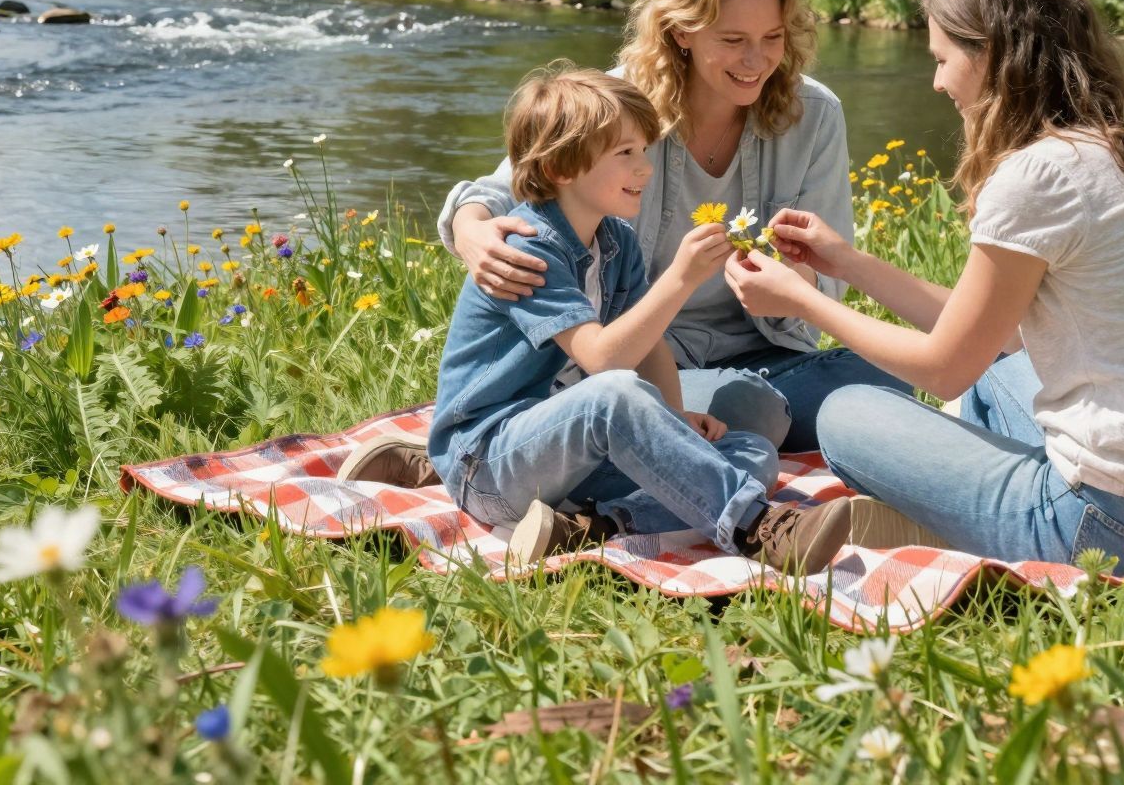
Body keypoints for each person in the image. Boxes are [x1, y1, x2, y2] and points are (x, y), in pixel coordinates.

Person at [724, 0, 1124, 568]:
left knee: (846, 414)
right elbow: (986, 341)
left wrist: (801, 298)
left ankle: (961, 521)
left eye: (943, 59)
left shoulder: (1037, 176)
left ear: (992, 59)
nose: (937, 81)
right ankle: (971, 506)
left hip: (1113, 531)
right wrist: (848, 264)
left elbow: (944, 367)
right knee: (991, 381)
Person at [350, 64, 921, 568]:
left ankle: (598, 528)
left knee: (750, 451)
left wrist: (674, 419)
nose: (644, 168)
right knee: (617, 394)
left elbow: (650, 347)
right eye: (625, 153)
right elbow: (602, 359)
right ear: (559, 167)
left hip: (570, 461)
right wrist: (682, 276)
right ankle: (760, 527)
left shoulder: (616, 242)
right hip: (490, 461)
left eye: (644, 150)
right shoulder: (529, 247)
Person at [437, 0, 910, 451]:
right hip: (641, 357)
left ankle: (698, 425)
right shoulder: (617, 104)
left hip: (768, 355)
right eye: (733, 41)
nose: (756, 61)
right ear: (682, 32)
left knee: (885, 378)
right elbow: (503, 189)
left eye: (772, 38)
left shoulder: (815, 115)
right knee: (758, 411)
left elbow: (823, 291)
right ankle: (687, 425)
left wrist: (794, 278)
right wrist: (471, 230)